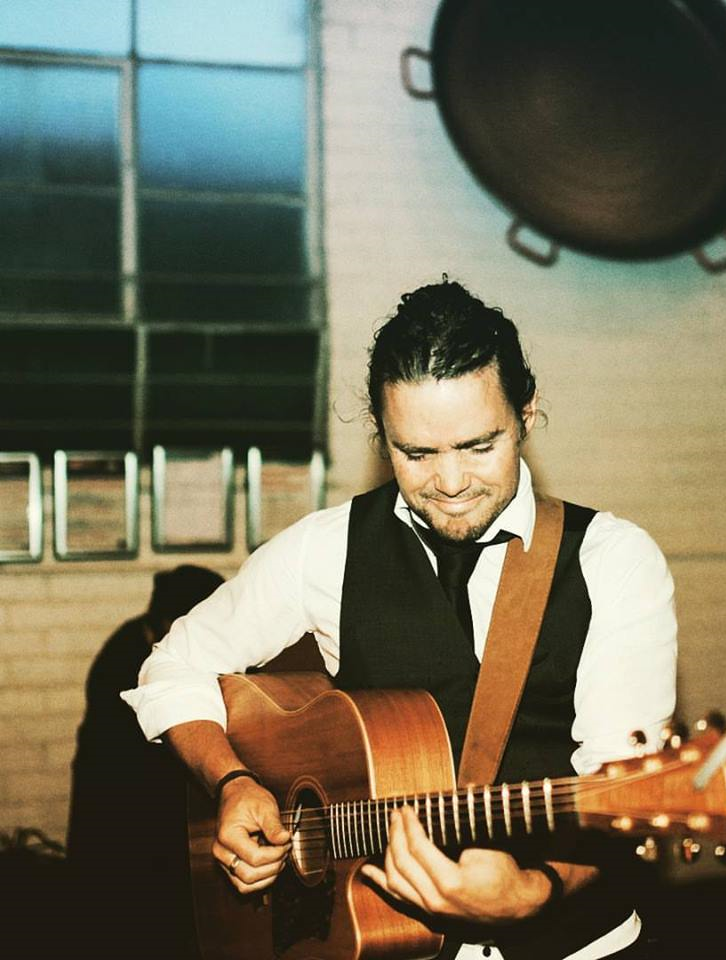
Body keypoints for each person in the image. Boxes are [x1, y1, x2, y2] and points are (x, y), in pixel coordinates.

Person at [122, 279, 677, 960]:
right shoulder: (326, 549)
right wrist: (231, 782)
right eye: (416, 453)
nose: (451, 482)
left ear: (527, 414)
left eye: (479, 446)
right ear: (381, 435)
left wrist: (535, 892)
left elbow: (623, 793)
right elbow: (174, 664)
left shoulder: (612, 561)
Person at [69, 564, 224, 959]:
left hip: (140, 805)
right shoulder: (128, 660)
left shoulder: (135, 639)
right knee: (133, 920)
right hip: (122, 810)